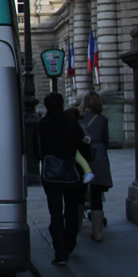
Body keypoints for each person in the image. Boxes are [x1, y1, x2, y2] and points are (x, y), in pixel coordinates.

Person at [36, 92, 91, 266]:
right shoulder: (71, 124)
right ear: (61, 105)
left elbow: (36, 151)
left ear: (46, 105)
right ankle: (70, 242)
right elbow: (82, 147)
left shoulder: (40, 126)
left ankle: (60, 254)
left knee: (55, 213)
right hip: (70, 173)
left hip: (51, 175)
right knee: (72, 210)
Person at [80, 91, 114, 242]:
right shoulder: (103, 120)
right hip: (98, 157)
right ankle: (97, 232)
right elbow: (106, 141)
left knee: (79, 195)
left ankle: (77, 226)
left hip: (81, 158)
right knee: (96, 196)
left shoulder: (78, 119)